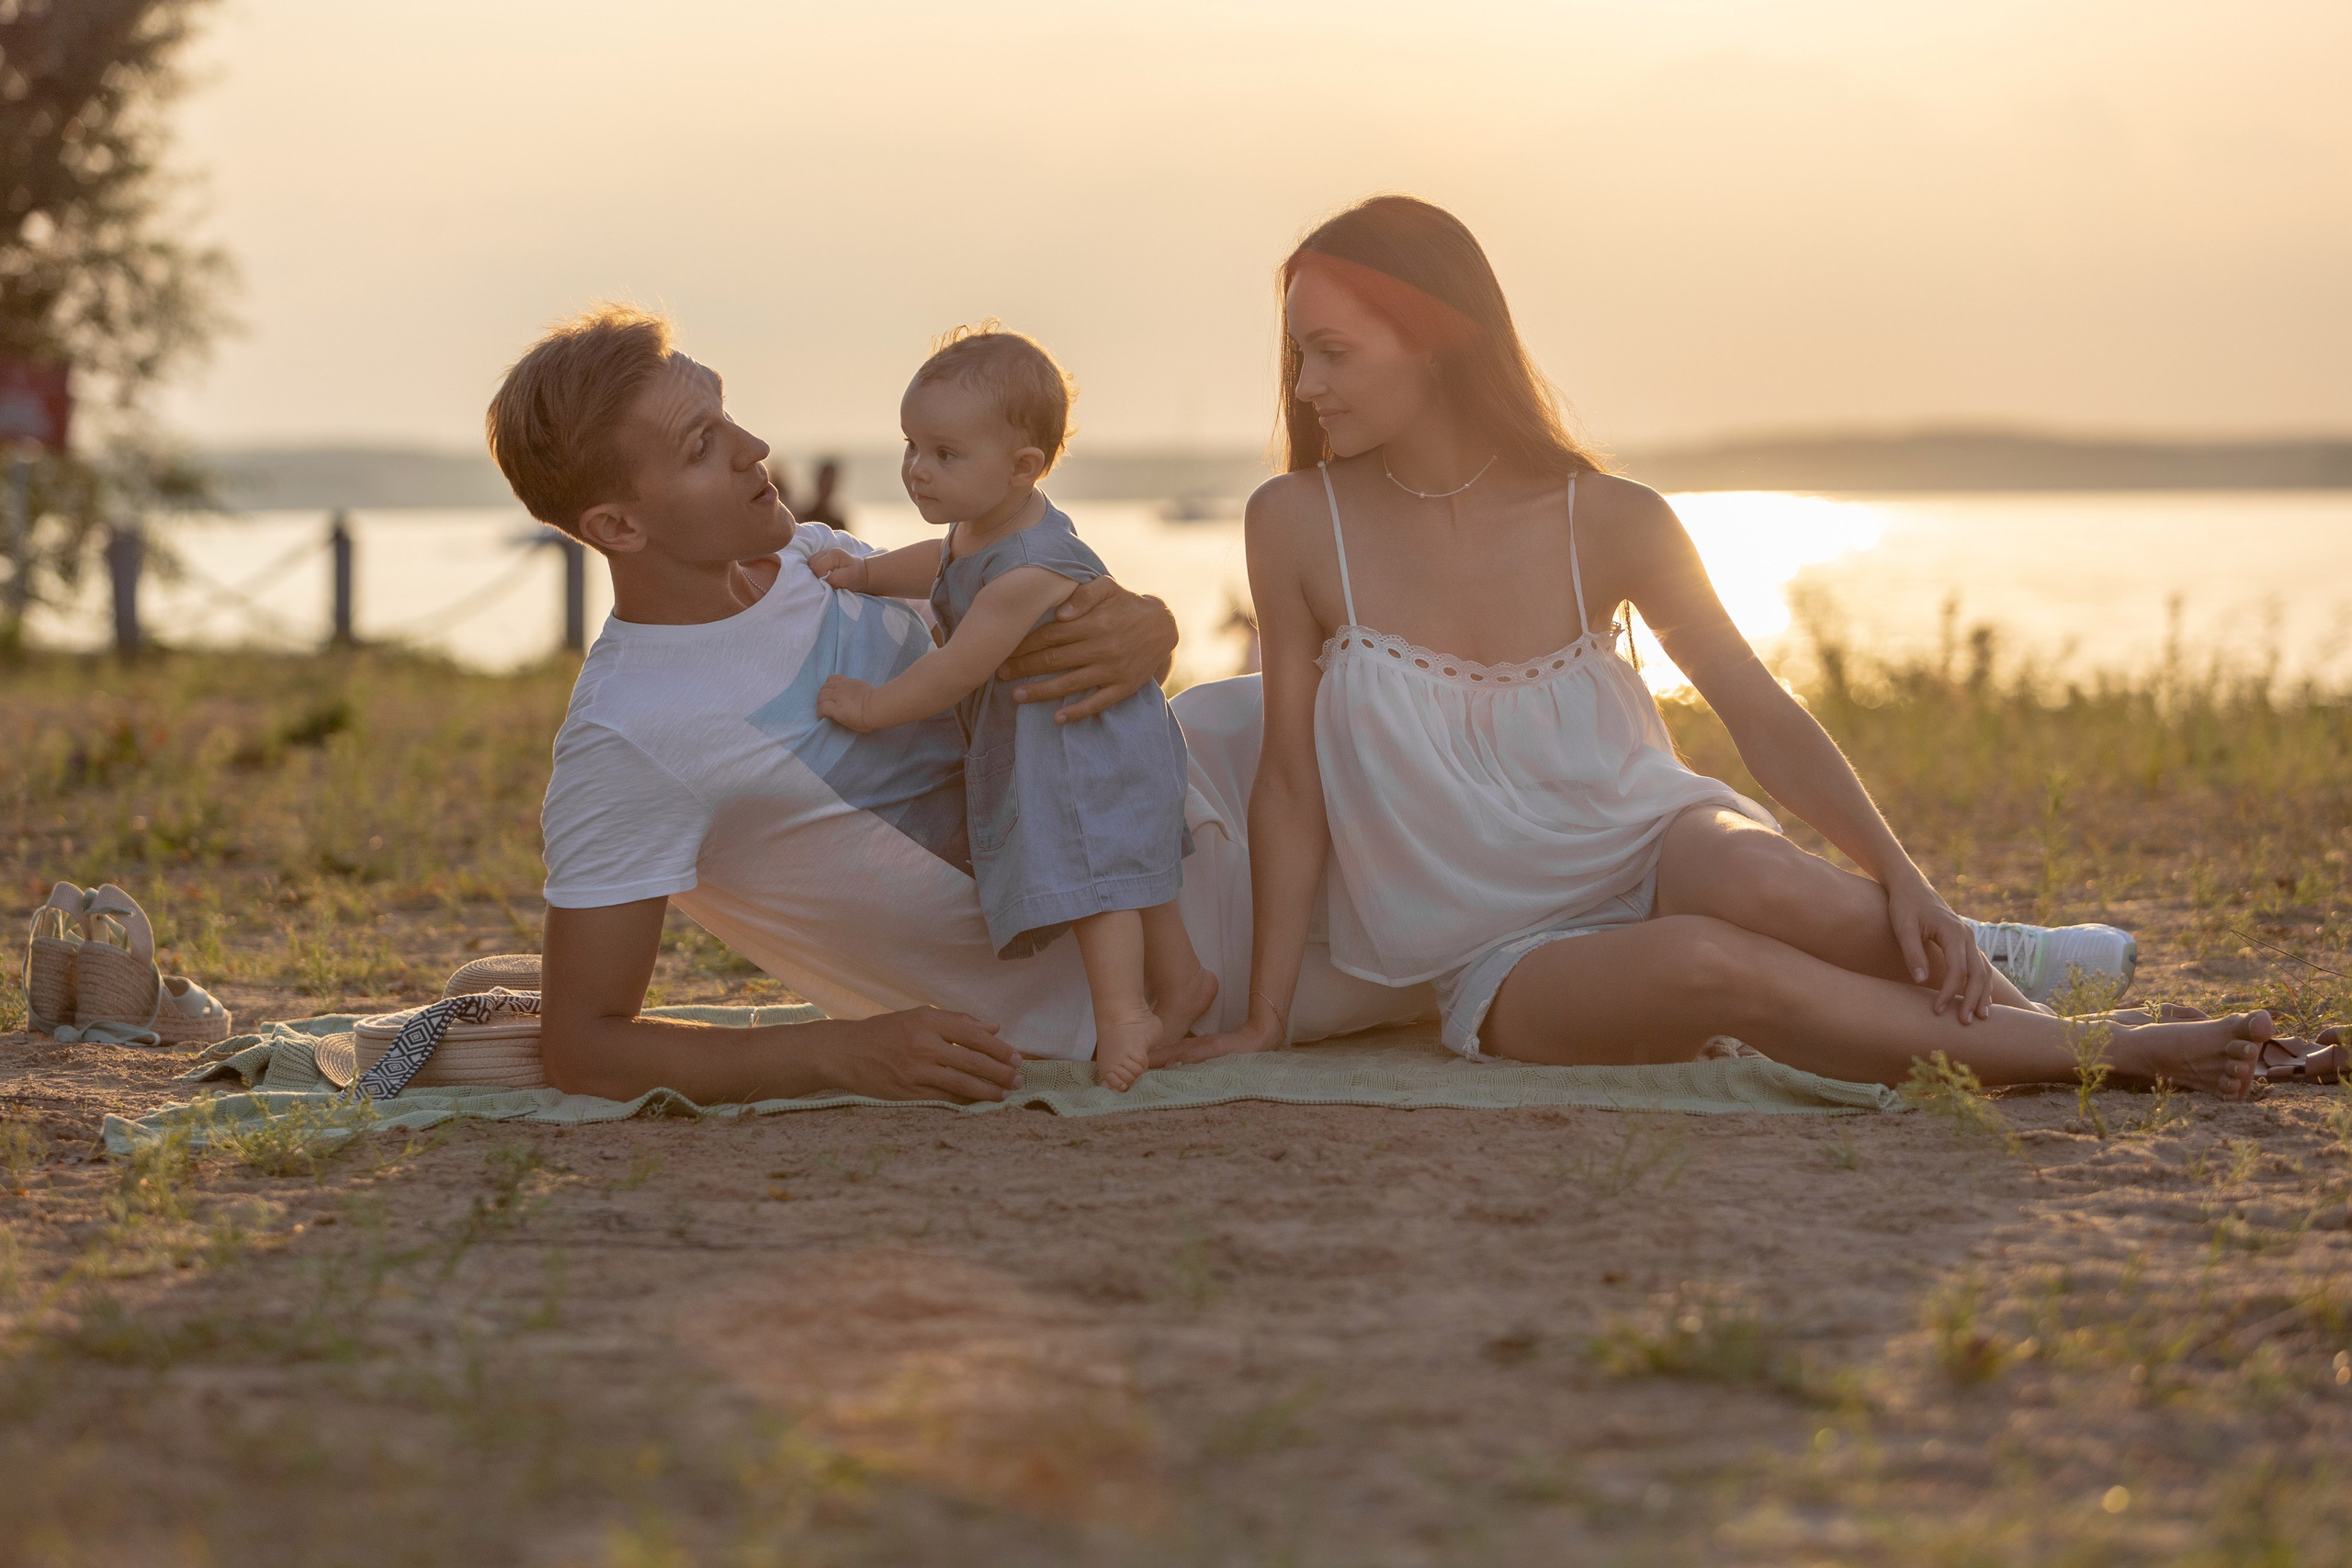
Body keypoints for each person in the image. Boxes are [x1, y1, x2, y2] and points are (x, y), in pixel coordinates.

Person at [484, 303, 2171, 1108]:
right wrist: (846, 1051)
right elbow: (583, 1042)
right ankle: (2036, 1006)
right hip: (1175, 951)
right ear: (619, 525)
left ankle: (1989, 949)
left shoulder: (813, 561)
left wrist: (1137, 626)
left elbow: (1051, 617)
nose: (757, 451)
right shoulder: (634, 739)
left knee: (1642, 835)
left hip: (1220, 798)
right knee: (1653, 903)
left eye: (729, 416)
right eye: (705, 447)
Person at [1166, 195, 2324, 1100]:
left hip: (1643, 841)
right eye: (1299, 358)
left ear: (1435, 344)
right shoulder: (1296, 524)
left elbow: (1756, 710)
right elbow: (1286, 785)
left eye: (1332, 354)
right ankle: (2101, 1043)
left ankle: (1976, 946)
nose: (1307, 388)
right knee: (1714, 967)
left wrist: (1901, 874)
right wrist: (1265, 1016)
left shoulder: (1610, 517)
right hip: (1491, 954)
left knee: (1751, 875)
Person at [809, 327, 1214, 1089]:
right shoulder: (982, 523)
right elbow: (939, 564)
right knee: (1136, 867)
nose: (917, 471)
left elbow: (956, 671)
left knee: (1103, 880)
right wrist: (864, 573)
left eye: (944, 454)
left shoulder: (1030, 569)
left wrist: (870, 706)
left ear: (1024, 468)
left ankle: (1124, 1013)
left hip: (1086, 739)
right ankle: (1186, 979)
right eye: (911, 447)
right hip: (1076, 733)